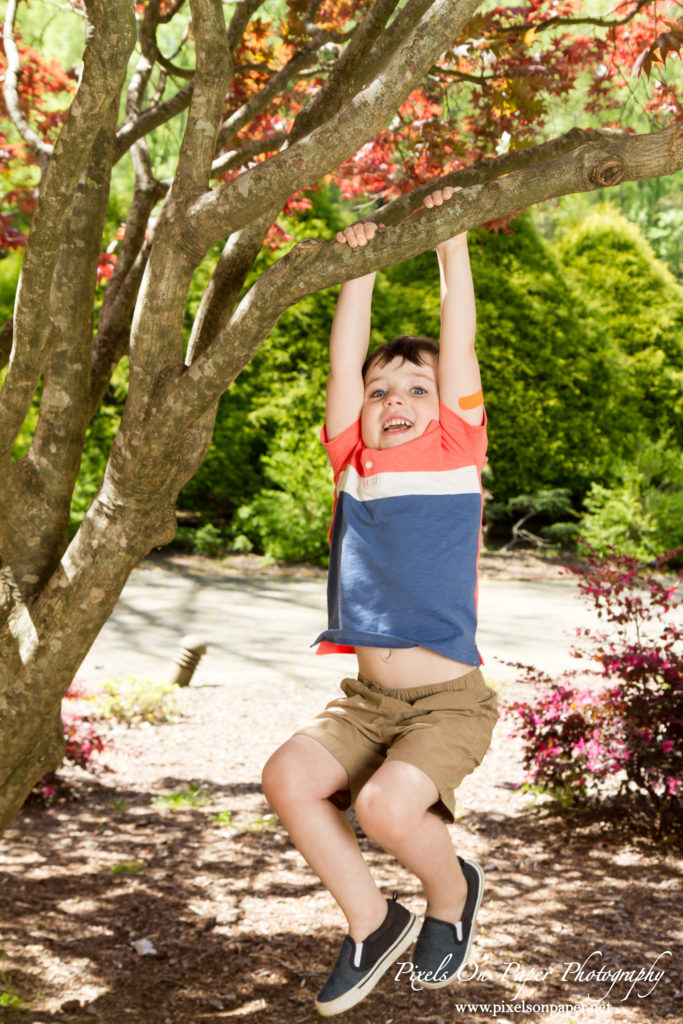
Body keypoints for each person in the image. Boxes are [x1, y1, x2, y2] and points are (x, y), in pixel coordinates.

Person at [261, 187, 498, 1017]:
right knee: (288, 775)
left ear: (448, 408)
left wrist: (451, 245)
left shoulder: (456, 448)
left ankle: (448, 893)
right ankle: (372, 919)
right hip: (365, 704)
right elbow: (341, 364)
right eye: (380, 391)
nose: (395, 401)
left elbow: (457, 341)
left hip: (447, 704)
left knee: (384, 807)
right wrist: (355, 272)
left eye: (416, 389)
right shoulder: (351, 459)